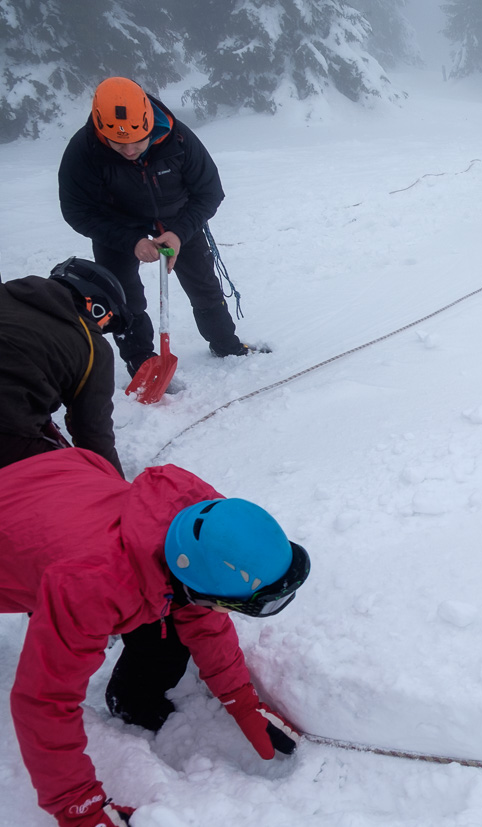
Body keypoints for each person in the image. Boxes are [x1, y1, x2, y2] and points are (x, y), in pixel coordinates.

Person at [1, 447, 310, 826]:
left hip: (57, 484)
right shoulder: (92, 585)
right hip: (20, 530)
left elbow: (204, 617)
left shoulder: (198, 526)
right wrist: (76, 806)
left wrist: (242, 701)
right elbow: (44, 698)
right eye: (234, 605)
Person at [57, 76, 261, 378]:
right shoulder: (84, 151)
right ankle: (143, 364)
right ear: (101, 130)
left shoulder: (177, 138)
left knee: (203, 284)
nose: (129, 151)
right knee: (124, 297)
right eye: (118, 144)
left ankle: (225, 344)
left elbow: (210, 192)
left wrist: (179, 233)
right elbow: (77, 211)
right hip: (118, 225)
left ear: (149, 123)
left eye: (138, 141)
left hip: (177, 218)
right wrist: (131, 241)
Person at [0, 258, 131, 475]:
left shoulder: (7, 293)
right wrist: (115, 485)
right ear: (96, 308)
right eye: (105, 325)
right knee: (71, 480)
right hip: (8, 434)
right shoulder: (91, 344)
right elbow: (92, 432)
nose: (100, 331)